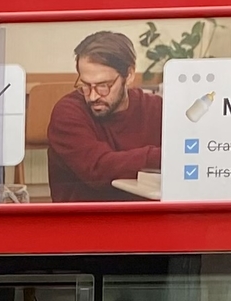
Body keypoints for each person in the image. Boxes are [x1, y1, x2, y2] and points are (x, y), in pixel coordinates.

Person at [45, 31, 163, 203]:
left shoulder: (155, 108)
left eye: (103, 86)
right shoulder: (67, 112)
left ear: (129, 75)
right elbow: (98, 169)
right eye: (85, 85)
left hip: (148, 220)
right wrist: (163, 157)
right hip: (85, 223)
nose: (93, 96)